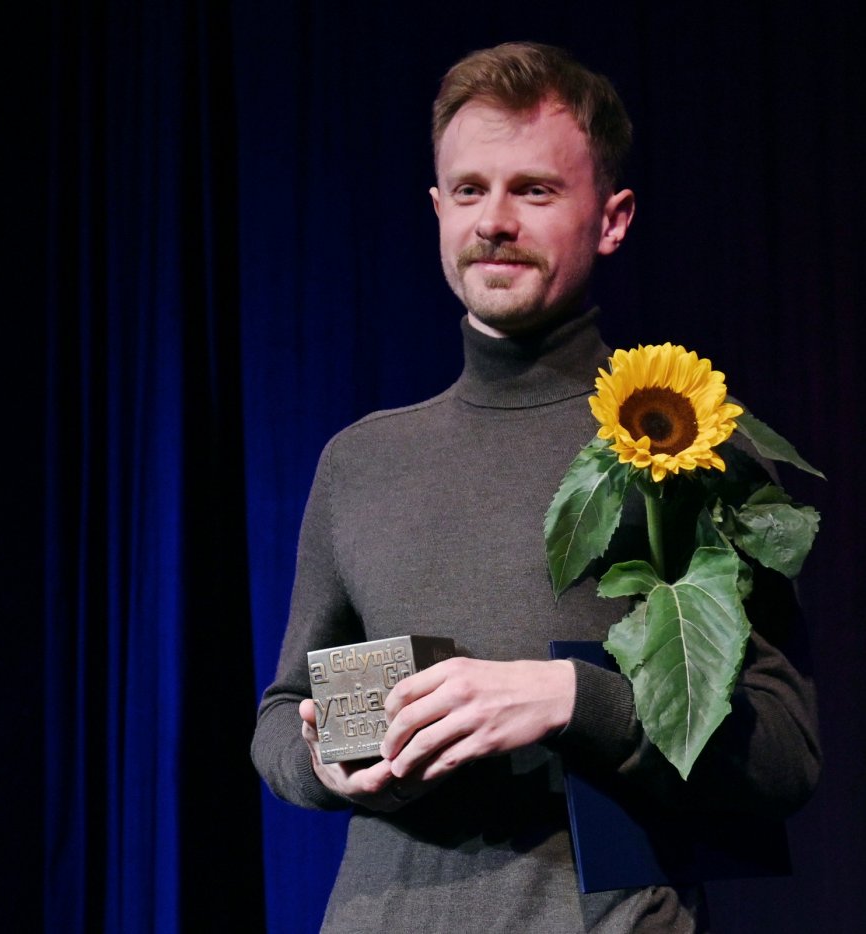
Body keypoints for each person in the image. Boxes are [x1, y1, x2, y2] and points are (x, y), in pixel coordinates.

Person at [251, 41, 821, 933]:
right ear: (437, 210)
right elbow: (282, 716)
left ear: (613, 217)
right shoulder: (360, 462)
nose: (494, 222)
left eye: (536, 190)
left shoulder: (689, 443)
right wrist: (324, 762)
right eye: (470, 191)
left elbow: (782, 755)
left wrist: (568, 700)